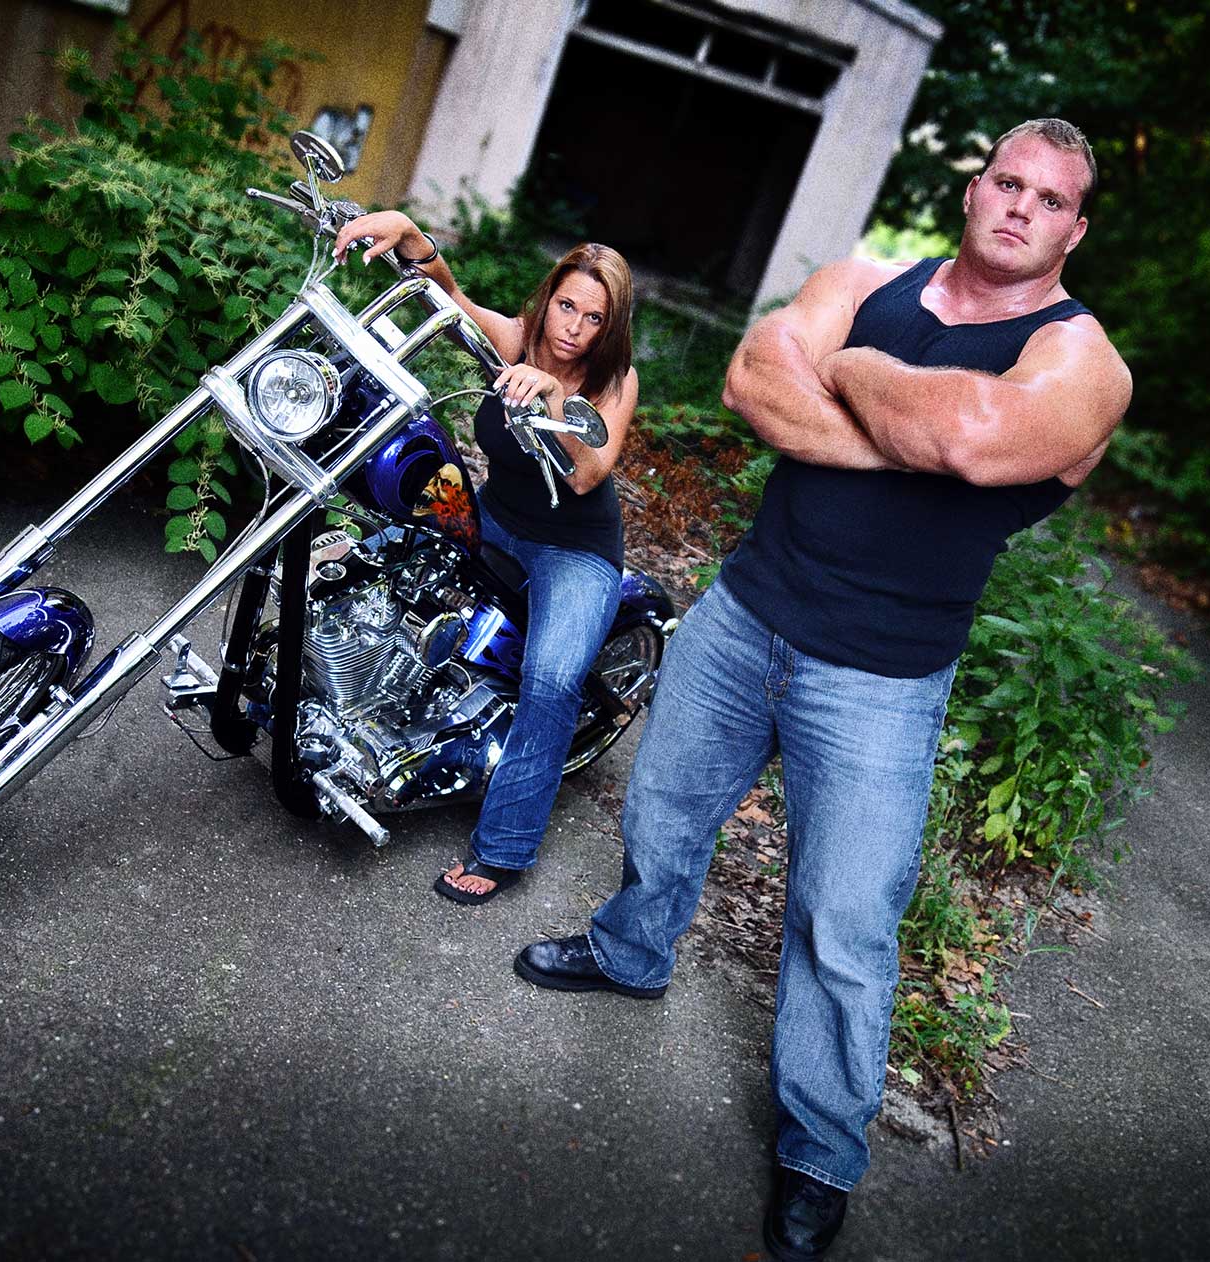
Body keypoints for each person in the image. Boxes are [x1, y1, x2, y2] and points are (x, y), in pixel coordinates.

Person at [508, 119, 1131, 1261]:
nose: (1018, 207)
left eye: (1047, 200)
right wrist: (910, 431)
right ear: (972, 186)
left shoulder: (1081, 362)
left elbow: (981, 440)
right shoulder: (865, 277)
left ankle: (816, 1147)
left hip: (882, 680)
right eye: (1005, 181)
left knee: (843, 922)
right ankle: (631, 951)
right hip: (746, 616)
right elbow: (755, 377)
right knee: (662, 811)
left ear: (1072, 229)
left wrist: (846, 368)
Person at [332, 210, 641, 906]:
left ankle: (503, 848)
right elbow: (450, 301)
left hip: (576, 549)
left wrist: (558, 394)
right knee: (383, 560)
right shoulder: (518, 340)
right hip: (496, 519)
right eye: (567, 305)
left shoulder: (614, 381)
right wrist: (413, 237)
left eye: (594, 318)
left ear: (610, 328)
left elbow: (589, 474)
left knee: (552, 679)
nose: (573, 327)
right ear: (549, 297)